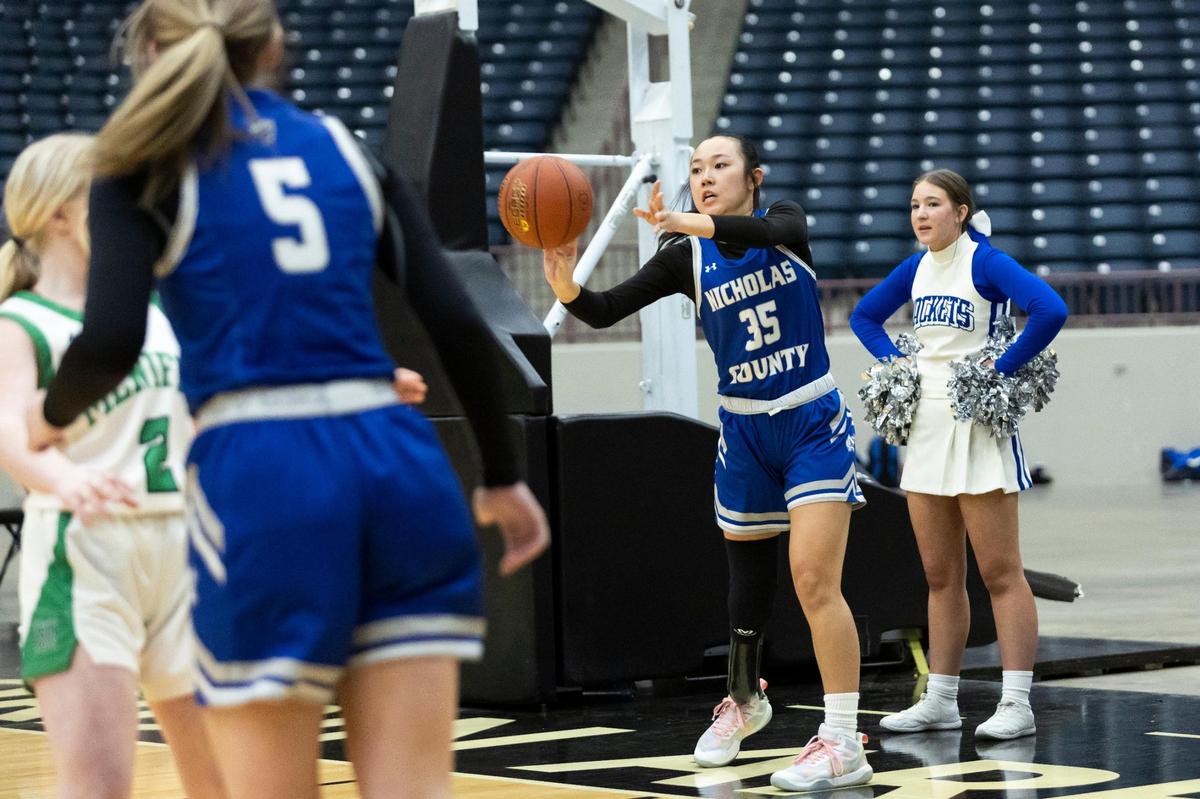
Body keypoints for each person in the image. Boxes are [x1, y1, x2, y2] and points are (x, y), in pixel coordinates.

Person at [24, 2, 550, 797]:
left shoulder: (143, 166)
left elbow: (109, 342)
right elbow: (457, 320)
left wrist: (48, 416)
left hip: (266, 476)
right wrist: (503, 475)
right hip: (399, 464)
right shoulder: (345, 148)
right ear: (273, 45)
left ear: (151, 51)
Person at [544, 134, 873, 792]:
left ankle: (841, 740)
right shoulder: (684, 256)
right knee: (746, 588)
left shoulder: (785, 224)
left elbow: (758, 227)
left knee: (812, 578)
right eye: (695, 168)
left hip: (810, 418)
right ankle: (746, 701)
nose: (704, 175)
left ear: (752, 176)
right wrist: (564, 278)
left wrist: (684, 218)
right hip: (744, 429)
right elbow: (605, 310)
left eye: (718, 165)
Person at [0, 133, 226, 799]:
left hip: (185, 549)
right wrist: (63, 478)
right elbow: (9, 429)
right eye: (114, 196)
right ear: (61, 214)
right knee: (99, 787)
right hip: (85, 551)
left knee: (225, 782)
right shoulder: (22, 320)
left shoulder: (154, 311)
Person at [849, 168, 1068, 741]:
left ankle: (1016, 702)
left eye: (933, 204)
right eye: (915, 205)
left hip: (979, 428)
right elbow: (864, 316)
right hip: (926, 428)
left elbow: (1050, 310)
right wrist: (898, 364)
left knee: (1000, 572)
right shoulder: (915, 267)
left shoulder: (984, 262)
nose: (921, 215)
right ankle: (942, 700)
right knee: (940, 574)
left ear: (961, 211)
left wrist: (998, 369)